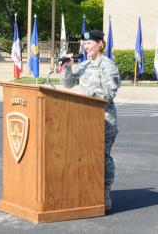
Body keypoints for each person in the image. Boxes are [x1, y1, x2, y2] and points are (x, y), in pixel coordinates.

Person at [61, 29, 121, 211]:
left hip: (103, 119)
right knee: (82, 155)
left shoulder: (108, 65)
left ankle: (105, 192)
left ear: (100, 44)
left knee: (102, 156)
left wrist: (88, 93)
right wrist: (69, 67)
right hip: (82, 118)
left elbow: (110, 93)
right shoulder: (85, 65)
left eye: (90, 43)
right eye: (84, 44)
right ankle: (86, 192)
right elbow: (69, 84)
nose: (86, 47)